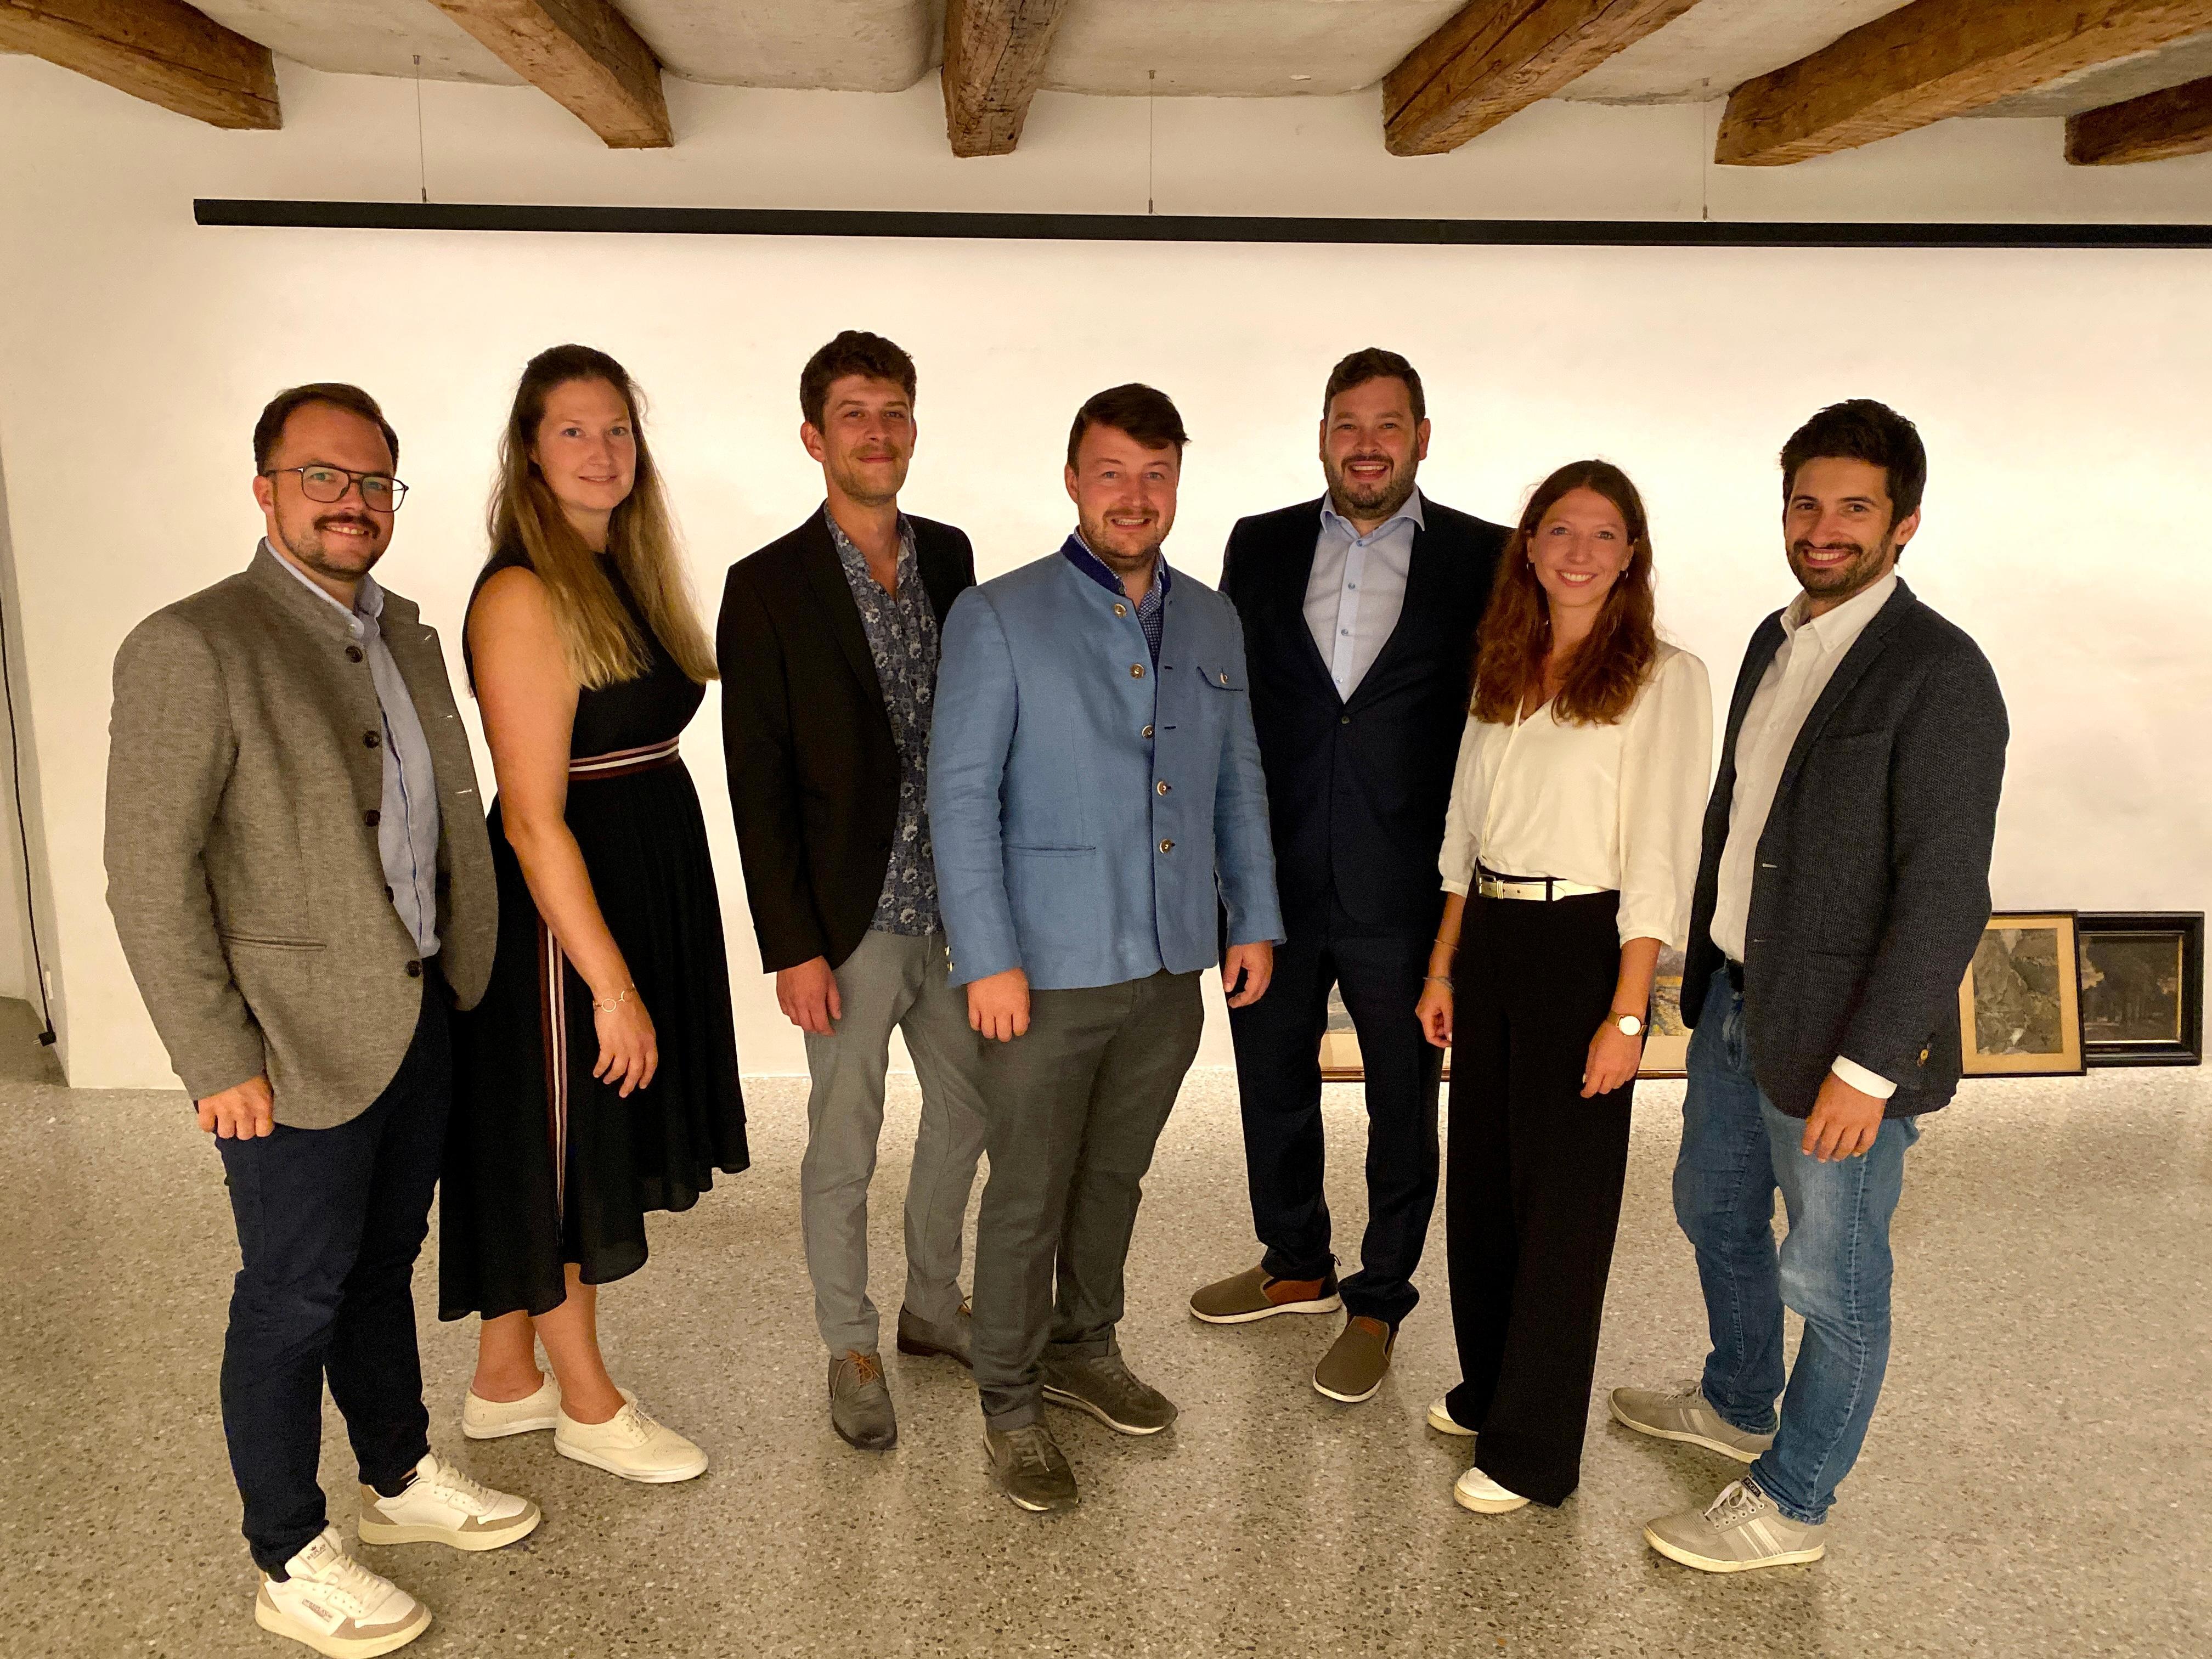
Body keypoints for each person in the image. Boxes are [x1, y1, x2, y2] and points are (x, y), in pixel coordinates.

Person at [105, 383, 539, 1657]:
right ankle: (288, 1554)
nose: (352, 502)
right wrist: (216, 1057)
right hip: (288, 1043)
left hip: (418, 1008)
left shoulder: (403, 633)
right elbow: (148, 872)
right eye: (322, 478)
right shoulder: (194, 644)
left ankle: (396, 1477)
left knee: (379, 1264)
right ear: (266, 490)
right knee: (292, 1292)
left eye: (373, 482)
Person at [1612, 400, 2007, 1571]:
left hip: (1843, 1043)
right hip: (1739, 1003)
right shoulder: (1773, 640)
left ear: (1905, 523)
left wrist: (1869, 1071)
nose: (1822, 528)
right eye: (1805, 502)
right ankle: (1740, 1403)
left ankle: (1793, 1503)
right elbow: (1742, 820)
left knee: (1831, 1281)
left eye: (1854, 508)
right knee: (1714, 1212)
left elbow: (1946, 895)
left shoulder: (1940, 674)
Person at [929, 383, 1284, 1512]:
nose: (1135, 497)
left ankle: (1085, 1346)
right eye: (1112, 473)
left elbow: (1237, 780)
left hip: (1169, 967)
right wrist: (988, 955)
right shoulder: (998, 614)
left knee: (1115, 1178)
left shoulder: (1214, 619)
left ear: (1177, 481)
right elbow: (960, 797)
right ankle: (1009, 1402)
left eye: (1155, 474)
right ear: (1074, 482)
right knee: (1028, 1191)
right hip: (1040, 971)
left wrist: (1253, 917)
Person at [440, 345, 748, 1485]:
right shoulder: (523, 591)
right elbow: (531, 821)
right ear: (530, 449)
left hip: (637, 873)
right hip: (561, 912)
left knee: (550, 1134)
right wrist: (610, 987)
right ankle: (587, 1403)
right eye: (573, 429)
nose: (601, 450)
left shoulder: (621, 569)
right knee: (567, 1153)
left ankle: (504, 1380)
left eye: (617, 428)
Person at [1190, 348, 1509, 1404]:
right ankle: (1295, 1264)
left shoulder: (1485, 556)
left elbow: (1496, 725)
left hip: (1405, 889)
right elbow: (1230, 710)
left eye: (1388, 425)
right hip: (1272, 884)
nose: (1367, 445)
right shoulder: (1261, 543)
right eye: (1347, 425)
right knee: (1269, 1081)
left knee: (1401, 1104)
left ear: (1422, 438)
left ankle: (1378, 1299)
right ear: (1322, 436)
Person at [1415, 461, 1711, 1516]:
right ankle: (1491, 1387)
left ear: (1631, 556)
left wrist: (1629, 1013)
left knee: (1563, 1205)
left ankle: (1533, 1453)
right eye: (1558, 531)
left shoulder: (1664, 678)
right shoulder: (1506, 662)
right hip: (1491, 935)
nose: (1578, 552)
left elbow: (1661, 857)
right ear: (1530, 548)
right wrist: (1443, 964)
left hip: (1586, 942)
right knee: (1485, 1183)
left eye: (1602, 534)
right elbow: (1464, 829)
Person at [718, 331, 989, 1452]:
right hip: (847, 920)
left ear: (912, 427)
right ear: (813, 437)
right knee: (844, 1143)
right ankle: (853, 1345)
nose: (877, 433)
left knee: (972, 1113)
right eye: (853, 415)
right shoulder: (766, 585)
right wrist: (792, 944)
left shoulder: (952, 557)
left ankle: (932, 1306)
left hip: (959, 911)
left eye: (893, 412)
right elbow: (756, 779)